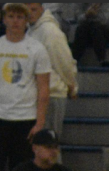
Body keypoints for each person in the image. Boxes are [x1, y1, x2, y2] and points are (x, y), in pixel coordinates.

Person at [0, 3, 49, 171]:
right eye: (11, 16)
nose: (15, 21)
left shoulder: (37, 49)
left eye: (19, 17)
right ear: (4, 19)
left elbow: (43, 88)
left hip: (26, 119)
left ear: (26, 20)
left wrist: (39, 123)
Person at [26, 3, 75, 135]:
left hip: (52, 95)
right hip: (40, 95)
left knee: (49, 145)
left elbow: (64, 63)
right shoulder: (32, 30)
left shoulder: (50, 31)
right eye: (27, 10)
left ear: (42, 9)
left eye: (34, 9)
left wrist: (72, 86)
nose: (30, 13)